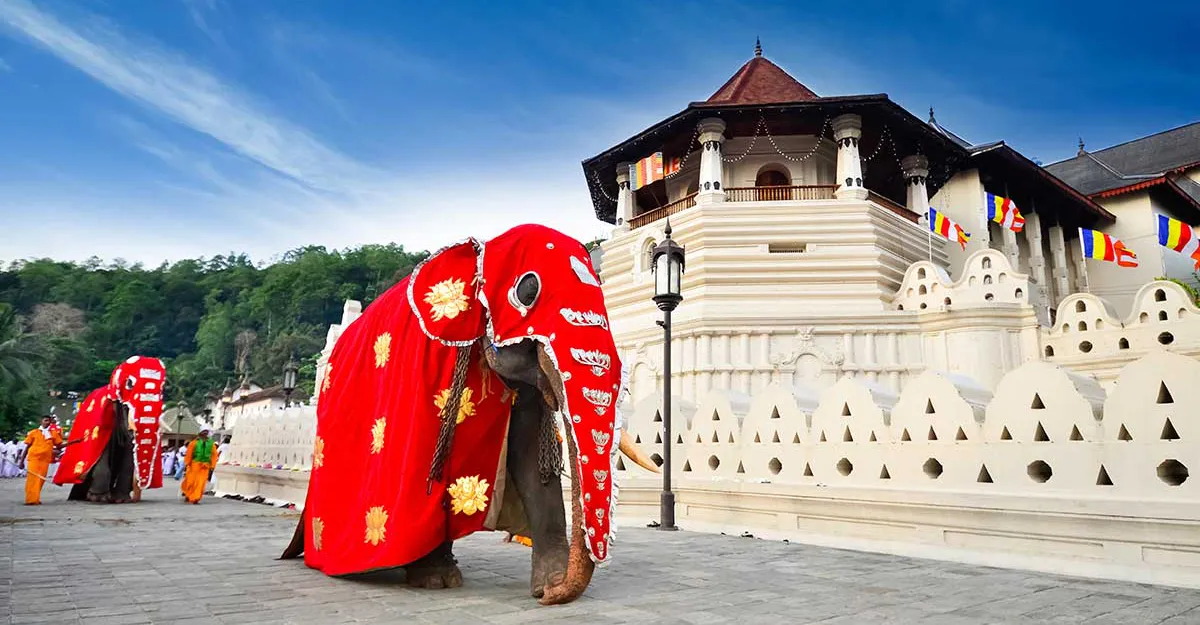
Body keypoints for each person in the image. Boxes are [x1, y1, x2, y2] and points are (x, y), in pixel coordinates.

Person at [18, 417, 64, 505]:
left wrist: (73, 442)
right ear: (41, 421)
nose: (47, 422)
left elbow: (59, 446)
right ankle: (30, 500)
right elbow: (27, 447)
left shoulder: (53, 433)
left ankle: (35, 498)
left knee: (41, 479)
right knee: (32, 479)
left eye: (49, 421)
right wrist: (21, 461)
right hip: (33, 459)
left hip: (45, 460)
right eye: (45, 420)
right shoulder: (33, 432)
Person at [181, 428, 219, 504]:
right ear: (200, 433)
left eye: (206, 433)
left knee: (200, 483)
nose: (204, 434)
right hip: (194, 465)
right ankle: (188, 494)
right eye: (203, 432)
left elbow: (214, 455)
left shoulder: (211, 444)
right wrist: (187, 463)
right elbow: (189, 453)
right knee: (190, 482)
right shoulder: (193, 443)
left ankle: (196, 498)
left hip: (205, 467)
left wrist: (212, 465)